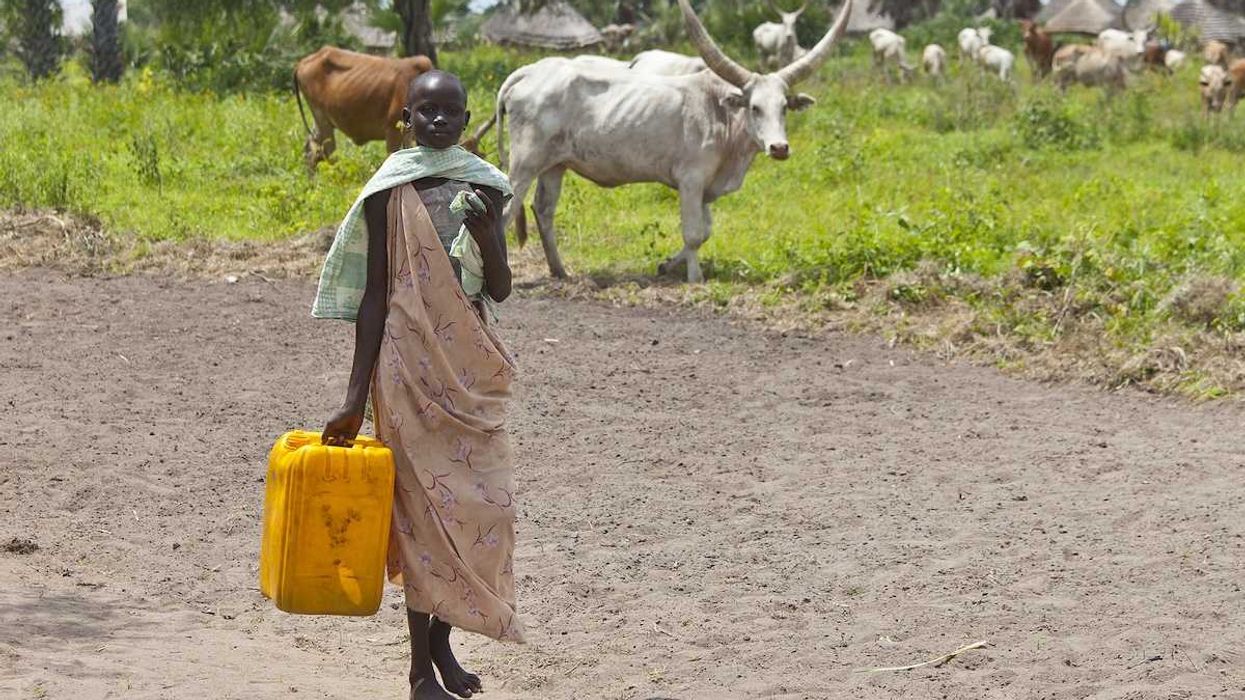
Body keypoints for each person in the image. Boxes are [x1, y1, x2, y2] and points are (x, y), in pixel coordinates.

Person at [313, 70, 523, 700]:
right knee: (418, 517)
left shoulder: (485, 187)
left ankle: (443, 644)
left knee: (483, 507)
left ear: (466, 121)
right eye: (424, 111)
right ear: (405, 119)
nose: (437, 121)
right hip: (405, 365)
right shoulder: (389, 190)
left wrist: (488, 233)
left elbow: (501, 288)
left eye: (449, 112)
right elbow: (376, 295)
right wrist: (353, 398)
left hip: (467, 365)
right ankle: (418, 672)